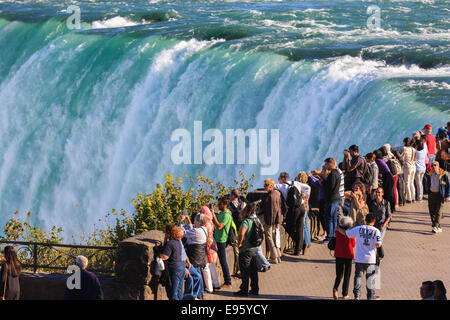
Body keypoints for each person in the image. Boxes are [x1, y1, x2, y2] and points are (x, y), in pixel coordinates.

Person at [338, 213, 382, 300]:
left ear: (365, 220)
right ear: (374, 221)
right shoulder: (376, 231)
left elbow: (346, 234)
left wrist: (338, 228)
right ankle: (370, 296)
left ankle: (357, 296)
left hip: (359, 258)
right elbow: (378, 244)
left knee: (358, 278)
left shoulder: (359, 229)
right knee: (370, 280)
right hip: (371, 259)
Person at [234, 203, 261, 297]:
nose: (242, 212)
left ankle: (244, 291)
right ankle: (255, 289)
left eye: (244, 210)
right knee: (254, 271)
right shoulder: (257, 219)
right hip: (255, 248)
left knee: (245, 271)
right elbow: (261, 230)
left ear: (248, 212)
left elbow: (241, 233)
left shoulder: (246, 221)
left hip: (246, 249)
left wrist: (239, 243)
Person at [180, 213, 207, 299]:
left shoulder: (196, 231)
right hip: (200, 255)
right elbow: (193, 231)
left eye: (195, 219)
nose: (194, 220)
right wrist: (188, 221)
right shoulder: (203, 229)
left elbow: (182, 233)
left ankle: (193, 295)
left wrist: (181, 222)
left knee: (194, 276)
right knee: (198, 274)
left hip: (194, 255)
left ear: (198, 221)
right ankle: (200, 294)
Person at [160, 225, 188, 300]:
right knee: (179, 289)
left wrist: (159, 252)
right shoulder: (179, 242)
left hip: (175, 268)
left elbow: (165, 257)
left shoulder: (171, 243)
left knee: (174, 290)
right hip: (182, 266)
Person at [211, 197, 233, 288]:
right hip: (217, 239)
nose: (218, 206)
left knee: (223, 261)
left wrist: (213, 215)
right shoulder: (222, 213)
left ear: (225, 205)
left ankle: (228, 282)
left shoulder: (227, 215)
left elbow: (219, 226)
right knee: (221, 260)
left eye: (220, 204)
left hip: (221, 240)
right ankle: (227, 281)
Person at [332, 216, 355, 300]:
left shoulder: (337, 232)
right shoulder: (351, 233)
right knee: (347, 275)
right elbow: (353, 245)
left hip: (338, 254)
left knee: (339, 274)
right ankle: (345, 294)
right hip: (348, 255)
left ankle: (335, 288)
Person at [199, 206, 220, 293]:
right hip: (212, 244)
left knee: (205, 267)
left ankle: (209, 287)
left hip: (206, 246)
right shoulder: (210, 222)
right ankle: (216, 284)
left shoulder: (205, 224)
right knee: (211, 265)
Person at [262, 179, 283, 263]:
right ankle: (278, 255)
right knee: (275, 238)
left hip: (269, 220)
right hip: (276, 220)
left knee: (269, 237)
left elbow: (271, 211)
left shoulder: (270, 196)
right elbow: (279, 209)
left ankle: (274, 257)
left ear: (271, 186)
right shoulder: (277, 194)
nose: (264, 187)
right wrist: (278, 222)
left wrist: (268, 222)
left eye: (266, 185)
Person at [228, 189, 247, 277]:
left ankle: (239, 270)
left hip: (236, 229)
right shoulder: (243, 203)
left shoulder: (230, 205)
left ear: (233, 196)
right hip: (244, 227)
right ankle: (246, 268)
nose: (229, 197)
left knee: (237, 250)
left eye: (230, 195)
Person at [426, 161, 450, 233]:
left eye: (435, 165)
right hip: (432, 194)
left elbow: (448, 186)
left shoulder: (443, 175)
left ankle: (436, 226)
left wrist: (447, 196)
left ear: (438, 166)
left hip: (440, 195)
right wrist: (429, 192)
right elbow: (428, 183)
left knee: (439, 212)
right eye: (432, 165)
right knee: (432, 211)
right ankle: (436, 226)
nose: (434, 167)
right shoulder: (430, 174)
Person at [323, 158, 342, 243]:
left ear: (330, 164)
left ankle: (330, 237)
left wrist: (323, 182)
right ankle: (335, 235)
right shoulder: (337, 172)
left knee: (330, 218)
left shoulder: (333, 174)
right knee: (334, 218)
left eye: (326, 164)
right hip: (335, 197)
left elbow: (330, 187)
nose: (325, 166)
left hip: (332, 198)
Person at [402, 137, 417, 203]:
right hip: (413, 166)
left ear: (405, 142)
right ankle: (413, 198)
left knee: (407, 183)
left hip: (407, 167)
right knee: (412, 183)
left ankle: (409, 198)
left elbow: (402, 157)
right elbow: (415, 159)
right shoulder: (413, 149)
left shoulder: (404, 149)